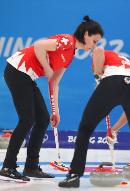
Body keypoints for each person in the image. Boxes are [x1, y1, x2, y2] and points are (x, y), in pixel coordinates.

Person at [0, 16, 104, 182]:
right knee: (26, 119)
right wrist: (47, 67)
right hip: (17, 71)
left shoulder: (70, 54)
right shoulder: (66, 41)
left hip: (26, 76)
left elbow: (54, 82)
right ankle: (8, 166)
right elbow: (39, 46)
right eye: (94, 40)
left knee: (42, 119)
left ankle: (31, 166)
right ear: (85, 35)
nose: (95, 46)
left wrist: (56, 112)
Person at [58, 48, 130, 188]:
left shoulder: (106, 55)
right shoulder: (125, 62)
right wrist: (114, 129)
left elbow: (97, 50)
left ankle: (74, 175)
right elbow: (128, 114)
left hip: (113, 81)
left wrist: (97, 75)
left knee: (85, 128)